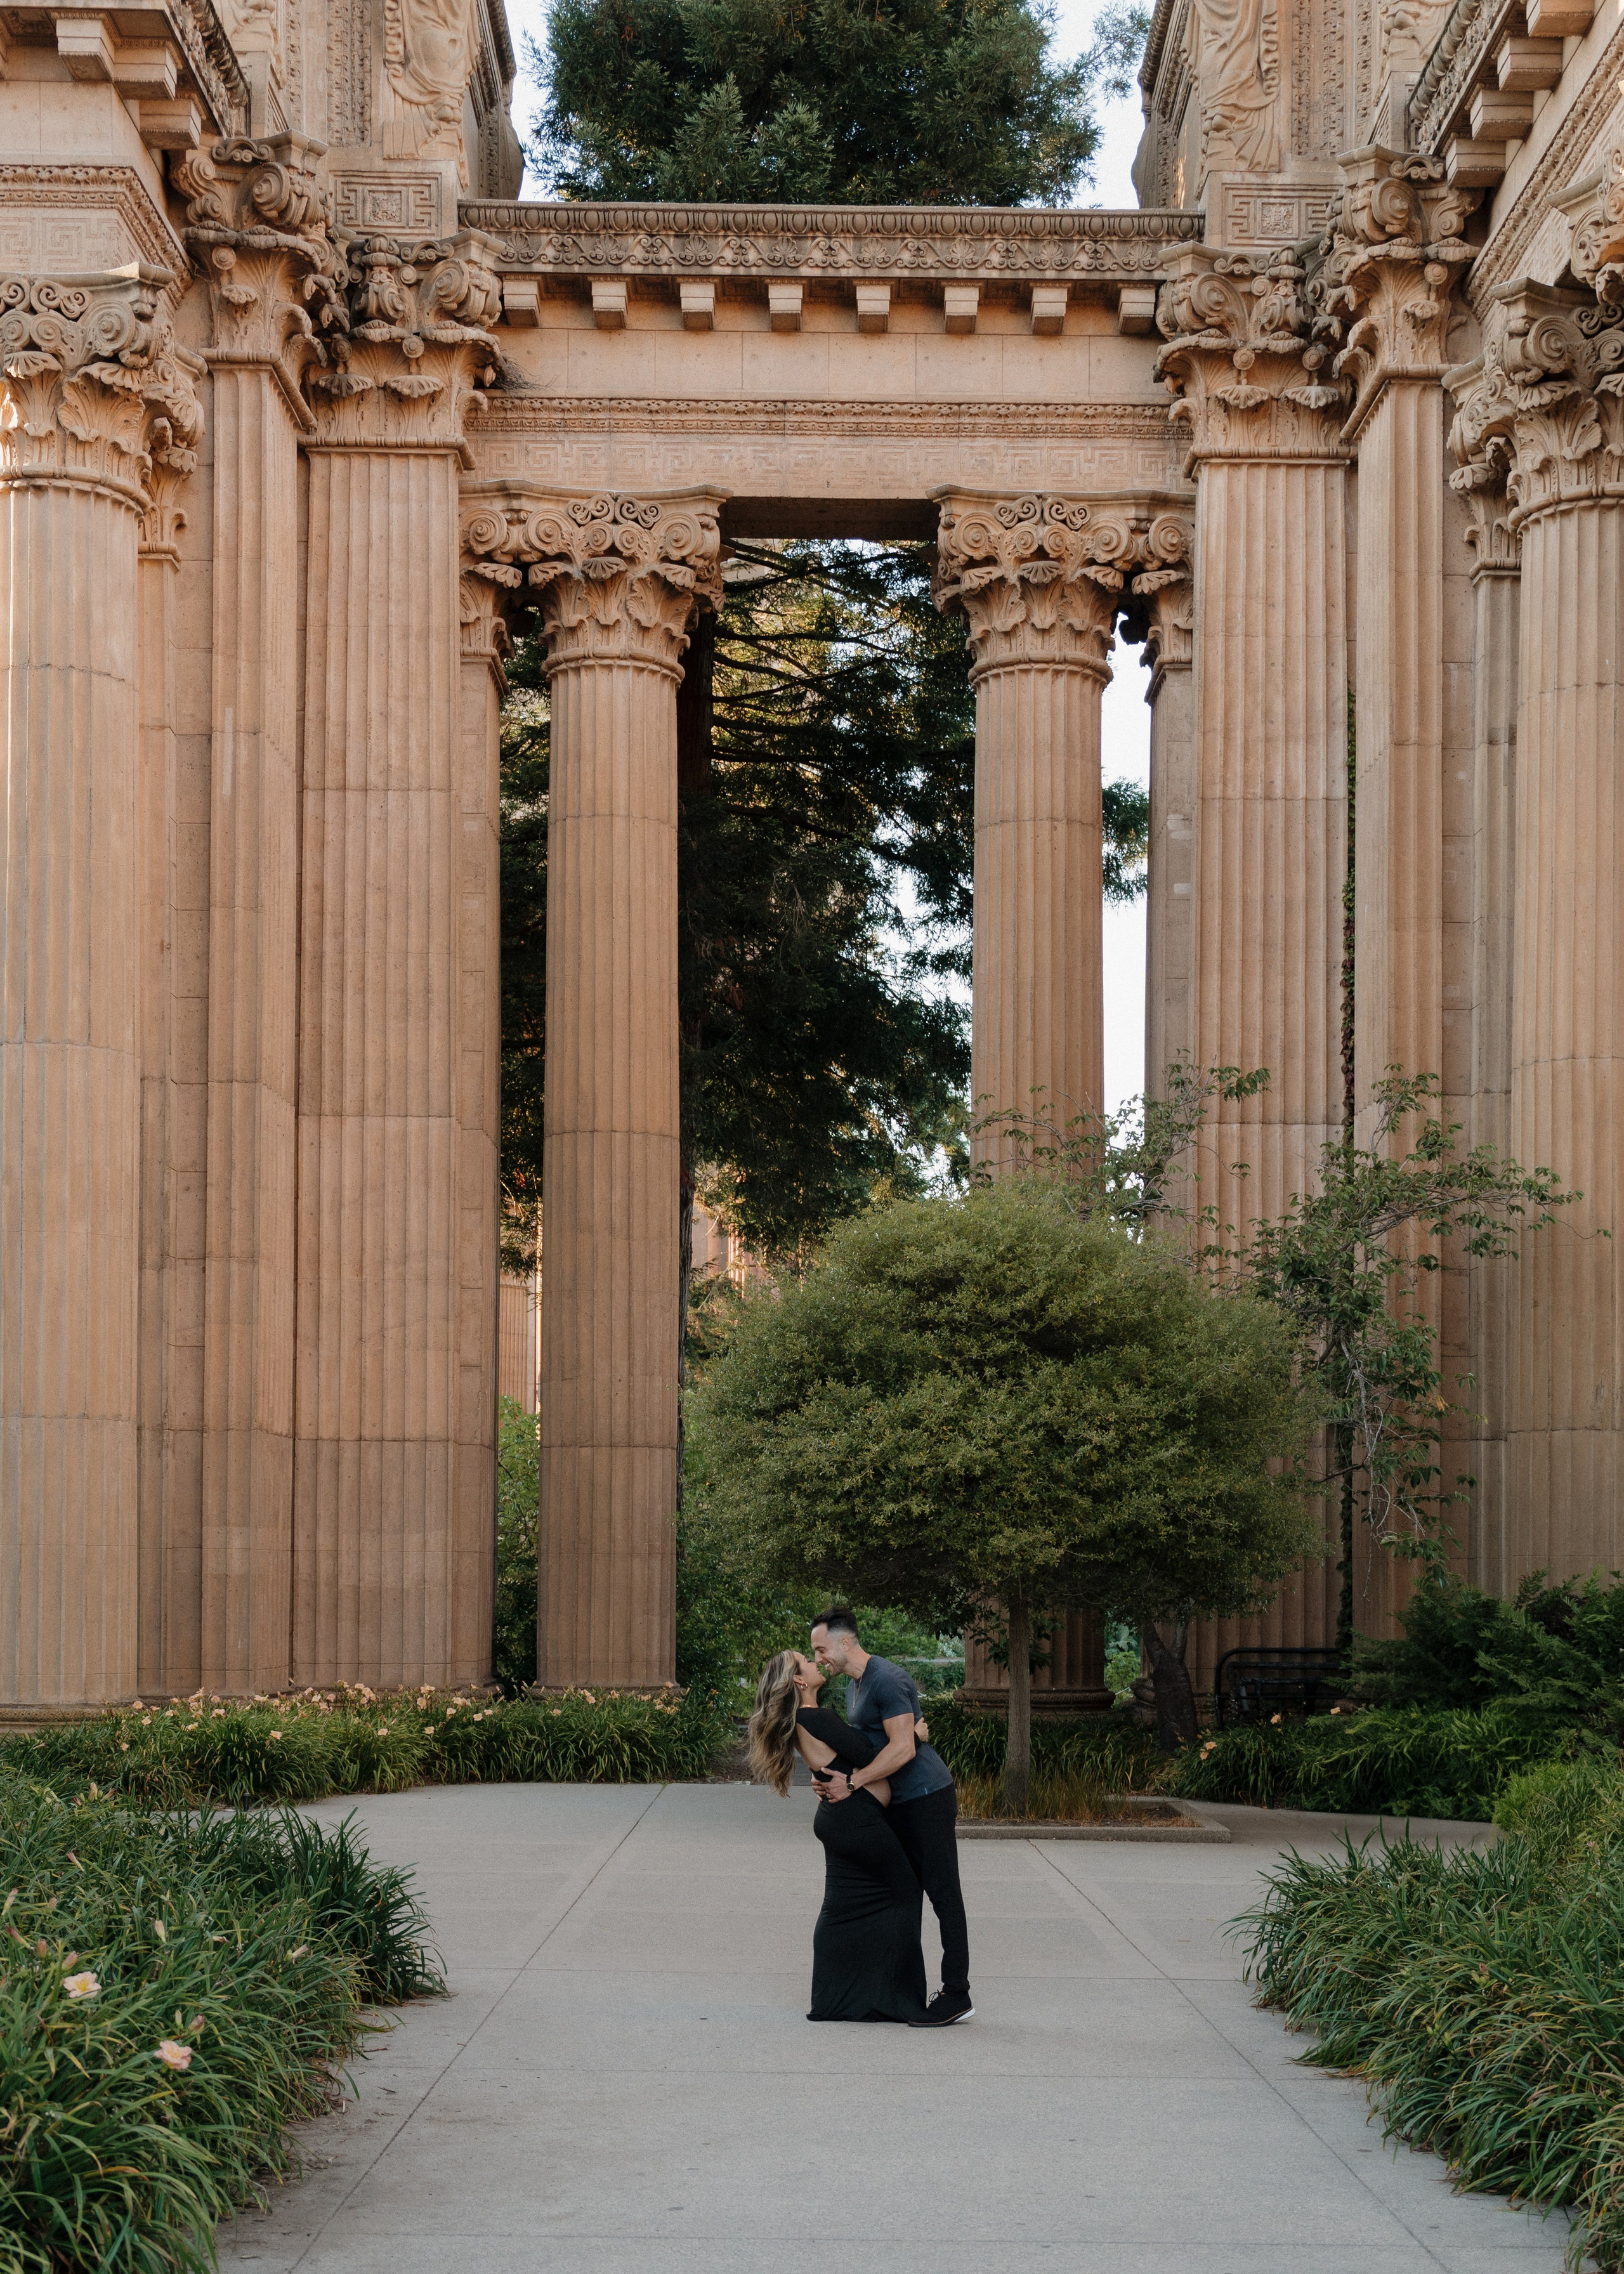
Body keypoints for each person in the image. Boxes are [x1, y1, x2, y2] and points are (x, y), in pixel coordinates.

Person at [809, 1604, 974, 2027]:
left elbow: (901, 1749)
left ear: (846, 1641)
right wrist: (829, 1777)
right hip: (898, 1802)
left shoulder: (886, 1677)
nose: (818, 1659)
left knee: (943, 1893)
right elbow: (873, 1741)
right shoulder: (855, 1685)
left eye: (821, 1648)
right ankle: (895, 1991)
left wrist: (855, 1781)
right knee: (904, 1892)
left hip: (926, 1796)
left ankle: (957, 1993)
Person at [748, 1649, 927, 2023]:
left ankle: (837, 2000)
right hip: (854, 1822)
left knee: (842, 1908)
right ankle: (895, 2001)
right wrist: (914, 1735)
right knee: (905, 1892)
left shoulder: (803, 1720)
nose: (816, 1664)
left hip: (840, 1821)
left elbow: (837, 1761)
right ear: (799, 1681)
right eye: (807, 1662)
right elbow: (866, 1753)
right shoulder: (816, 1717)